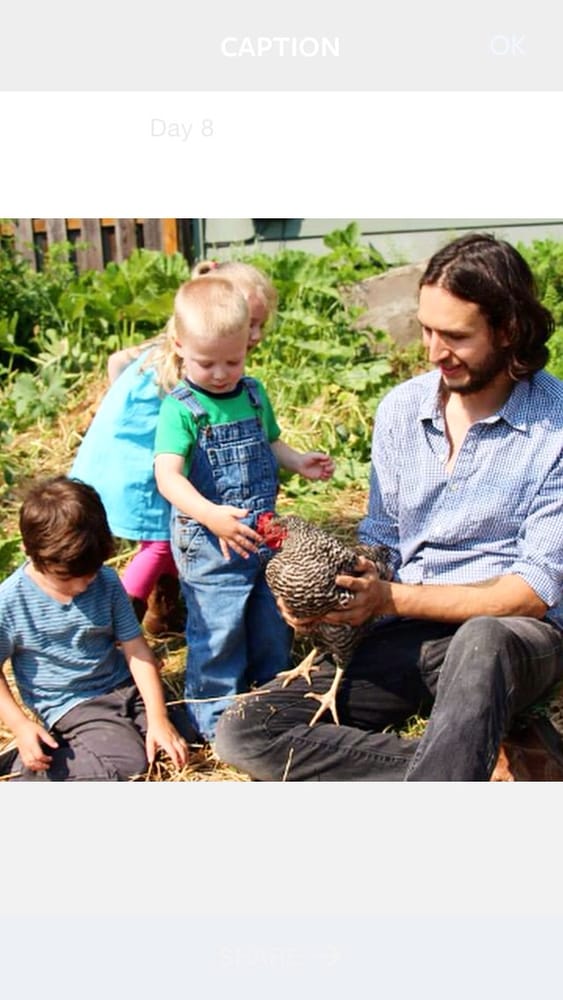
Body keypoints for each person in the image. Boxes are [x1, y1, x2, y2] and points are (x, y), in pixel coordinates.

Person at [214, 232, 563, 781]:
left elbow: (530, 596)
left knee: (483, 636)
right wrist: (332, 593)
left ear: (509, 330)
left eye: (455, 336)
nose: (432, 352)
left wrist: (389, 598)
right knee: (246, 729)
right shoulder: (403, 409)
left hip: (510, 642)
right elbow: (381, 538)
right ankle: (490, 766)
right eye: (426, 329)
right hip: (403, 632)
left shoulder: (556, 426)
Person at [154, 276, 334, 741]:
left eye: (232, 360)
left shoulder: (252, 393)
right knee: (219, 630)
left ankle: (269, 699)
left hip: (262, 535)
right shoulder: (181, 410)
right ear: (179, 345)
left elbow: (269, 441)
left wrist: (298, 461)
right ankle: (213, 720)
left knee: (270, 618)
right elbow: (168, 476)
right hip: (211, 543)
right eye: (206, 362)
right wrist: (209, 513)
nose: (220, 373)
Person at [70, 259, 277, 634]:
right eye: (251, 322)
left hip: (118, 452)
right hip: (139, 468)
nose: (256, 333)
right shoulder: (188, 376)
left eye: (260, 324)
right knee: (163, 542)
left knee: (172, 535)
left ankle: (163, 612)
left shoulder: (172, 350)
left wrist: (119, 402)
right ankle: (118, 626)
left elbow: (117, 360)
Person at [0, 476, 192, 781]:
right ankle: (26, 772)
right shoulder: (10, 602)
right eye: (67, 577)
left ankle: (62, 751)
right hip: (74, 704)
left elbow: (136, 649)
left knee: (185, 730)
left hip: (122, 686)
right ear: (28, 551)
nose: (82, 584)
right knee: (130, 761)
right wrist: (20, 726)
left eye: (89, 574)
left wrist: (158, 717)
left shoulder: (106, 581)